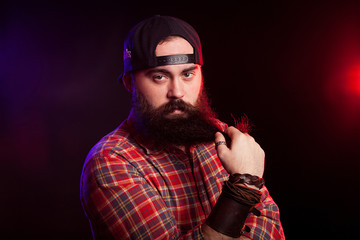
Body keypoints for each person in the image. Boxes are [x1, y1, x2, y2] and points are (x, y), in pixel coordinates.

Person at [80, 15, 285, 239]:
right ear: (130, 83)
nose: (177, 91)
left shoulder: (222, 136)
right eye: (159, 76)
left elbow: (271, 226)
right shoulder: (111, 162)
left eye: (188, 74)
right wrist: (243, 185)